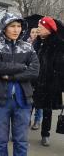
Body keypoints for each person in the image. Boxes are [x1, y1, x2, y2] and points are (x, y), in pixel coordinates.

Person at [0, 13, 39, 156]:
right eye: (12, 26)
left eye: (19, 26)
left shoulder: (28, 47)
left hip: (23, 100)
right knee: (1, 140)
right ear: (4, 27)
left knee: (21, 140)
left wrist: (11, 76)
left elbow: (34, 71)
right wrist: (22, 67)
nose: (16, 30)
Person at [33, 16, 64, 146]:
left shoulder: (58, 44)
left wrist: (57, 84)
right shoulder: (36, 42)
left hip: (49, 83)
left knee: (47, 109)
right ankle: (21, 131)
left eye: (41, 27)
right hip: (33, 81)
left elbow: (61, 66)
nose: (38, 29)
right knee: (27, 106)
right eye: (39, 26)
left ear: (49, 29)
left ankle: (45, 134)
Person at [27, 27, 43, 130]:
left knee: (39, 102)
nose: (35, 34)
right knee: (28, 100)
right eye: (33, 32)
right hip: (29, 77)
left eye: (37, 32)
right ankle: (27, 119)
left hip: (40, 76)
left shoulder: (41, 45)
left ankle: (37, 121)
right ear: (30, 34)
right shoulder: (26, 45)